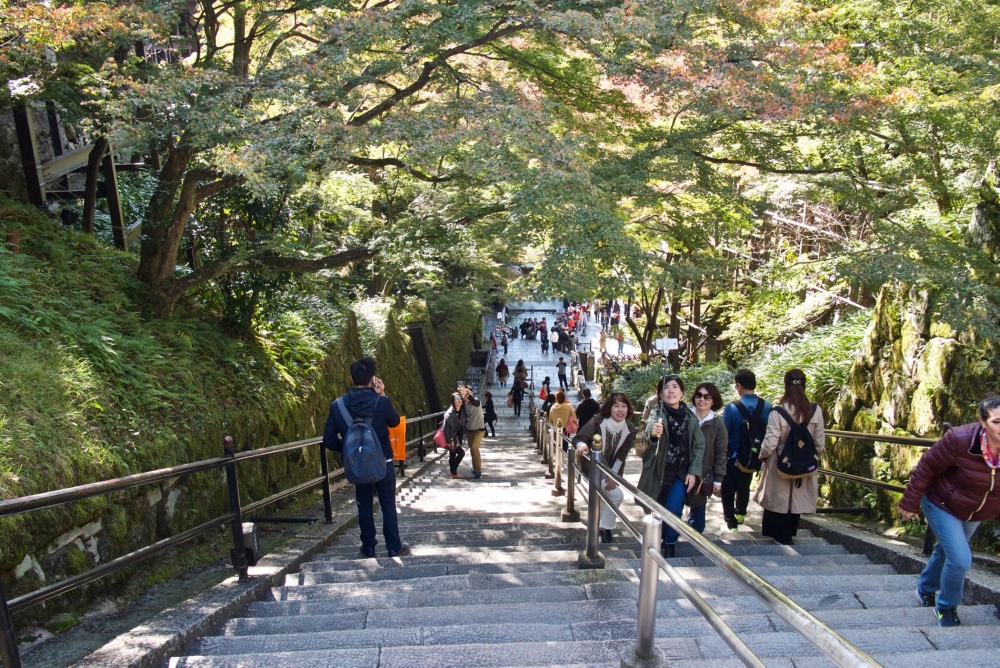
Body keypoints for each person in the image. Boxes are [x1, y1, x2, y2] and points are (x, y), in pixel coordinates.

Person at [899, 394, 1000, 627]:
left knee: (948, 552)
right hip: (942, 503)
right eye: (996, 422)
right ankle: (946, 606)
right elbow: (927, 466)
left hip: (976, 510)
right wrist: (909, 502)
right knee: (961, 559)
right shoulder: (960, 439)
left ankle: (925, 589)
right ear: (983, 422)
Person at [323, 357, 409, 558]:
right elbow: (395, 422)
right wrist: (383, 394)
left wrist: (347, 451)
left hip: (357, 465)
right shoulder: (382, 401)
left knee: (363, 504)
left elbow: (328, 439)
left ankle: (368, 547)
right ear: (373, 379)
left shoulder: (338, 406)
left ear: (351, 378)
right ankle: (393, 546)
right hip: (383, 462)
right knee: (387, 504)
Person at [754, 368, 824, 546]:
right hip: (805, 461)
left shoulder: (778, 413)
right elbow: (819, 442)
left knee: (780, 498)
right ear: (804, 386)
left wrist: (763, 456)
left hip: (780, 462)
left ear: (785, 386)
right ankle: (791, 533)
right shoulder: (815, 411)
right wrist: (810, 457)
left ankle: (780, 535)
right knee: (796, 497)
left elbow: (770, 442)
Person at [640, 374, 705, 558]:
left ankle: (670, 541)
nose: (671, 391)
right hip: (659, 471)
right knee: (655, 507)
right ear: (660, 394)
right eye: (666, 387)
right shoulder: (658, 411)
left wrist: (694, 471)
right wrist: (653, 431)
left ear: (682, 393)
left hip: (681, 472)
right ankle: (656, 539)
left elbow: (699, 444)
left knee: (674, 507)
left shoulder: (690, 417)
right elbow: (650, 423)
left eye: (675, 387)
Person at [574, 393, 637, 543]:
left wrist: (614, 476)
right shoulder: (598, 421)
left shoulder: (629, 429)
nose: (621, 410)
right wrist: (581, 445)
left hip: (611, 469)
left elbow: (622, 455)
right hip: (593, 466)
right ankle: (605, 527)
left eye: (624, 406)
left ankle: (598, 526)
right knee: (616, 495)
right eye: (616, 406)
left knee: (605, 495)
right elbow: (579, 437)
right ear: (609, 408)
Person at [721, 369, 772, 531]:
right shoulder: (767, 406)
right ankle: (741, 514)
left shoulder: (732, 408)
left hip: (734, 457)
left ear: (739, 385)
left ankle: (731, 522)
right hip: (756, 456)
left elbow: (723, 434)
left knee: (728, 488)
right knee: (745, 484)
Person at [686, 383, 728, 534]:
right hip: (679, 471)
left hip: (702, 476)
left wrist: (718, 479)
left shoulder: (717, 423)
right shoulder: (685, 416)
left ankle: (694, 548)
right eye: (699, 395)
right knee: (673, 510)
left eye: (707, 397)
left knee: (698, 521)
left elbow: (720, 452)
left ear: (713, 400)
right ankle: (670, 543)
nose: (702, 399)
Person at [461, 385, 486, 479]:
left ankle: (478, 470)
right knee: (472, 450)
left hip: (479, 430)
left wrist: (466, 392)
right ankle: (475, 469)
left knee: (475, 447)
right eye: (463, 394)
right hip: (469, 430)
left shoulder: (476, 401)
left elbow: (474, 401)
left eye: (467, 393)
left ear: (471, 393)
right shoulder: (464, 404)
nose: (465, 395)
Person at [442, 393, 467, 479]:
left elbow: (462, 424)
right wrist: (448, 441)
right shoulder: (449, 413)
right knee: (461, 453)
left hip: (457, 437)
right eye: (456, 399)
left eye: (460, 398)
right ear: (453, 401)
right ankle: (453, 471)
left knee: (452, 454)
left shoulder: (462, 411)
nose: (459, 400)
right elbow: (445, 428)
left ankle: (452, 472)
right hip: (451, 437)